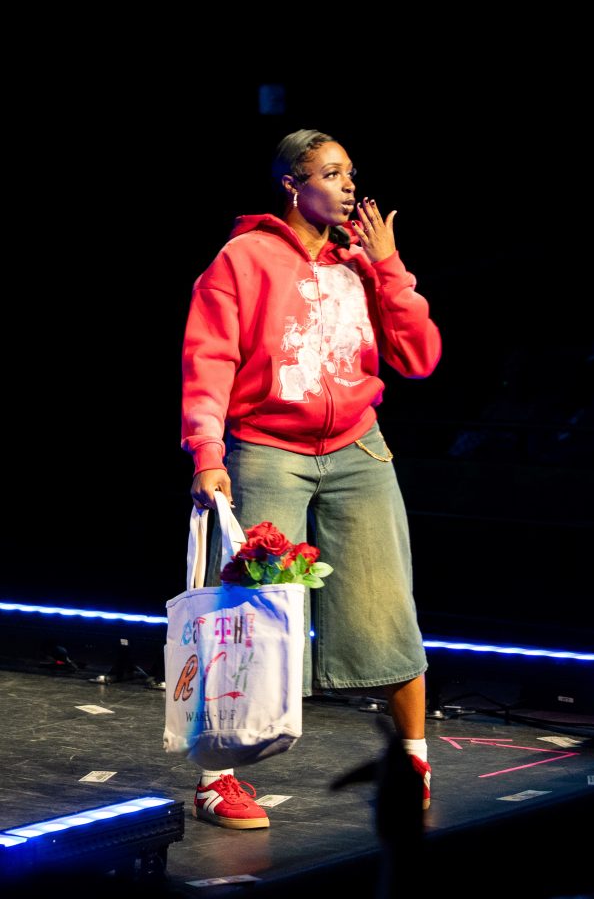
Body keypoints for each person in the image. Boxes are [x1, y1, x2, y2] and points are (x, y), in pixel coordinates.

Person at [180, 128, 442, 830]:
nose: (349, 185)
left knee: (388, 607)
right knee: (250, 618)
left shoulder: (361, 262)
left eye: (351, 172)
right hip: (268, 450)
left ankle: (412, 758)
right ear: (292, 185)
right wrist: (208, 452)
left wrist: (389, 267)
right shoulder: (244, 257)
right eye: (331, 173)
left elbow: (419, 358)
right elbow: (209, 359)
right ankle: (215, 778)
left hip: (358, 449)